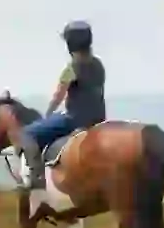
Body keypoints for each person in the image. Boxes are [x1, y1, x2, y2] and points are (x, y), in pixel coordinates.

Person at [18, 20, 106, 190]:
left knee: (27, 134)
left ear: (70, 44)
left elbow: (58, 95)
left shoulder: (71, 68)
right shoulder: (98, 65)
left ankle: (36, 179)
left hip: (75, 119)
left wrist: (48, 114)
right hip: (98, 118)